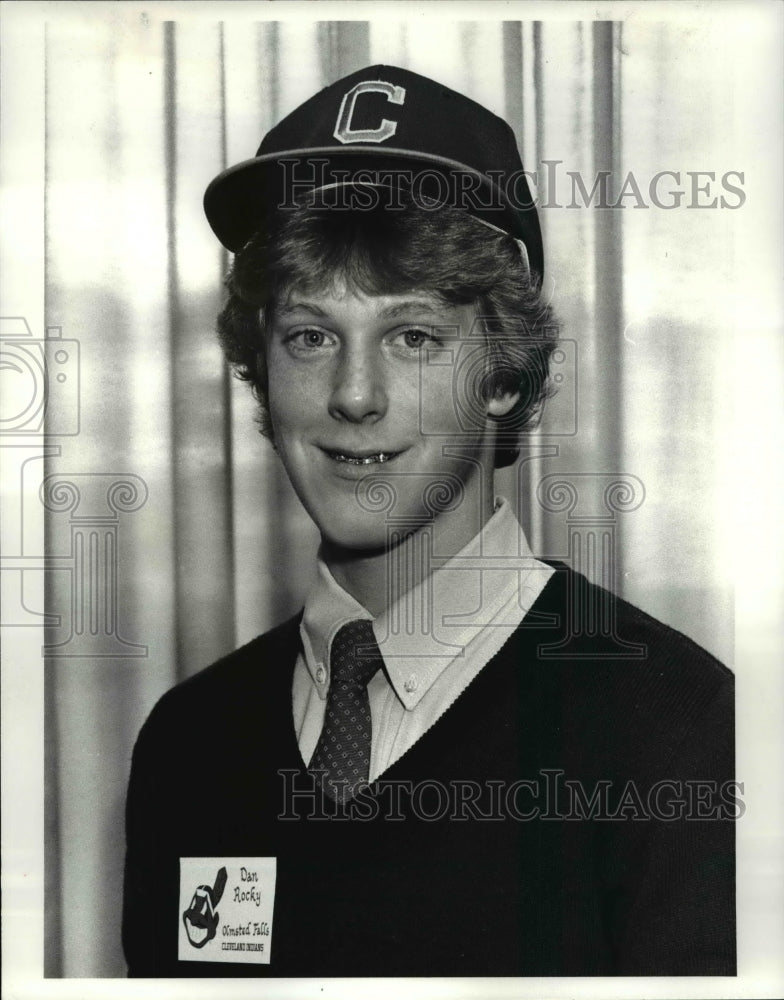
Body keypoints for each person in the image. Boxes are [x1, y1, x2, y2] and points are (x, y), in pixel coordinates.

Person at [122, 64, 735, 977]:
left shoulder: (677, 730)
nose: (353, 395)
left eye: (414, 337)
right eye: (309, 336)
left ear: (501, 373)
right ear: (258, 368)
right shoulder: (190, 739)